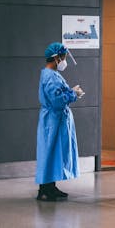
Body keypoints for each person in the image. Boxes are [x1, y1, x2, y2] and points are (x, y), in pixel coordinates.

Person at [35, 42, 85, 201]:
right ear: (56, 58)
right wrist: (73, 95)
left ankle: (50, 186)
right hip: (53, 120)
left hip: (55, 119)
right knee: (49, 153)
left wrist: (70, 92)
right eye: (63, 57)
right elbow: (57, 100)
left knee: (54, 153)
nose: (64, 61)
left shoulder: (51, 74)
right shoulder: (50, 76)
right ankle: (45, 188)